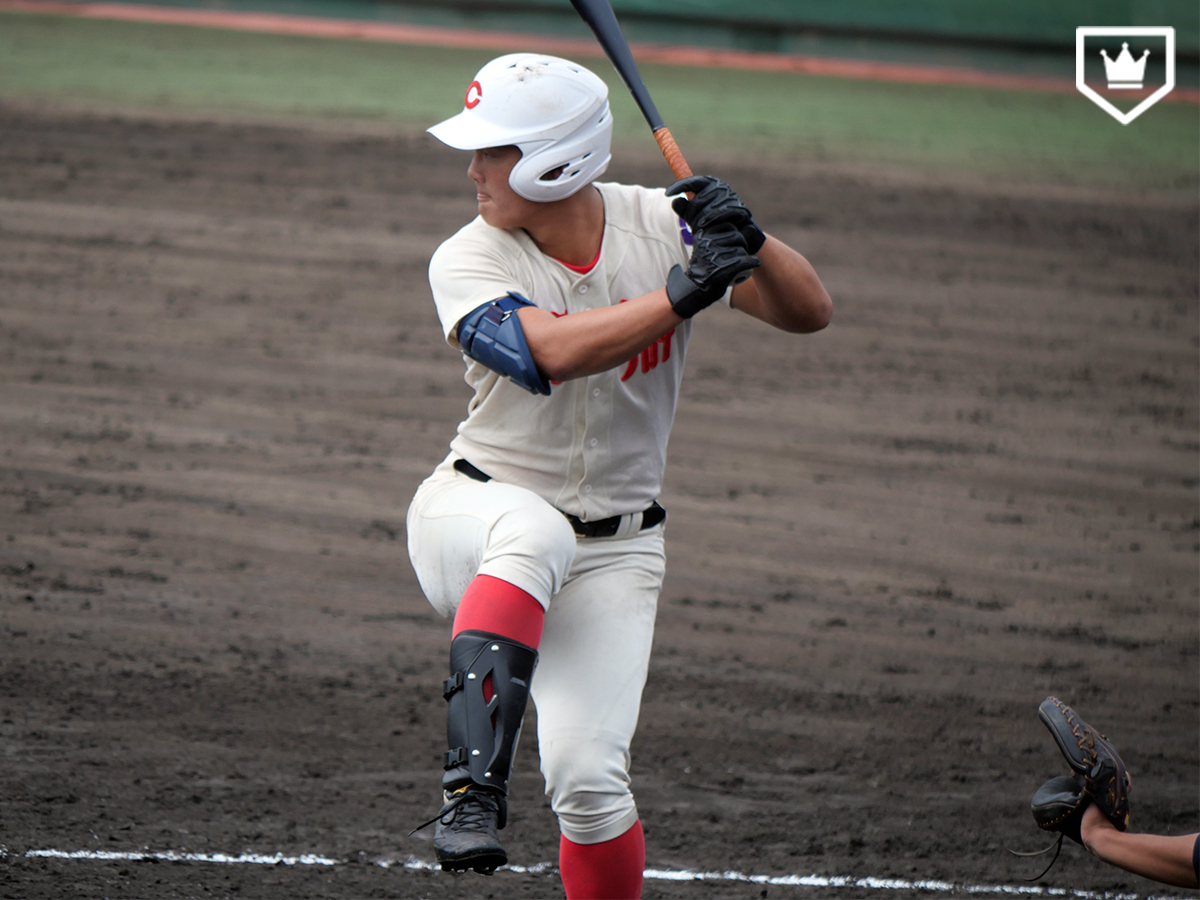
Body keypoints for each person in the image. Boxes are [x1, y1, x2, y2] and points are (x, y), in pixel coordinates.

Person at [406, 52, 831, 899]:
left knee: (591, 785)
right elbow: (543, 354)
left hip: (618, 553)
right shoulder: (467, 257)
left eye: (493, 150)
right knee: (531, 531)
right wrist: (682, 293)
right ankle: (469, 793)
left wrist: (748, 239)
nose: (473, 169)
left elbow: (808, 311)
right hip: (476, 515)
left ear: (552, 160)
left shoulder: (661, 227)